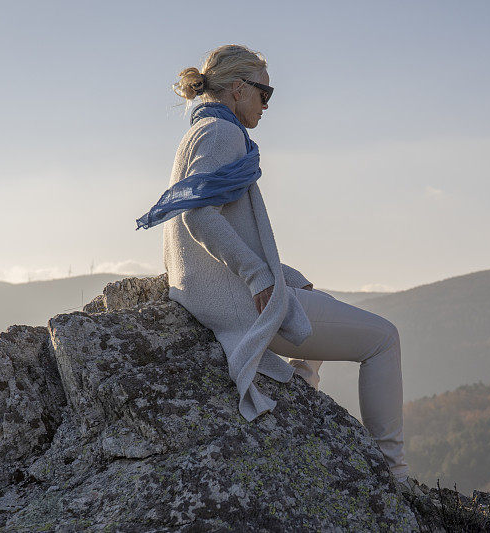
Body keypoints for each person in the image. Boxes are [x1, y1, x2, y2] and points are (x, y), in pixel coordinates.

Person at [137, 44, 416, 488]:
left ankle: (300, 394)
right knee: (383, 339)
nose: (267, 105)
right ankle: (395, 473)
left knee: (309, 296)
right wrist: (258, 275)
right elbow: (199, 214)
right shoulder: (221, 134)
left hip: (206, 292)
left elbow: (211, 216)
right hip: (231, 300)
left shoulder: (200, 130)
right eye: (265, 94)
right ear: (237, 89)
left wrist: (281, 274)